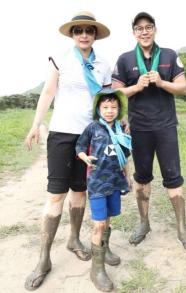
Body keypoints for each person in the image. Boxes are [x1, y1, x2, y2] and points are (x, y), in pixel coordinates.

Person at [24, 11, 112, 290]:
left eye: (89, 30)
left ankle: (74, 238)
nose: (84, 34)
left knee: (81, 191)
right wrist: (36, 125)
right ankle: (43, 259)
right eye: (78, 30)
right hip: (62, 134)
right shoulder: (61, 58)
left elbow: (107, 102)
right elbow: (48, 92)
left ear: (95, 34)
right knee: (56, 195)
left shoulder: (103, 64)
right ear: (72, 35)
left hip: (91, 136)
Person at [112, 12, 186, 253]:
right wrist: (136, 87)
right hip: (139, 128)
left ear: (155, 30)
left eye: (148, 27)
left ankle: (182, 228)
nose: (144, 31)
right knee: (142, 178)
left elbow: (182, 87)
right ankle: (143, 223)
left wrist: (162, 83)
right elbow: (116, 94)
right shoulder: (124, 59)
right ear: (134, 33)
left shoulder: (169, 55)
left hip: (166, 126)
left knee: (174, 177)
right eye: (139, 28)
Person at [76, 88, 131, 292]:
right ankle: (96, 270)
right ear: (98, 108)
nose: (109, 110)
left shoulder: (121, 130)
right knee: (98, 225)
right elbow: (79, 147)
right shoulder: (92, 128)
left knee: (108, 219)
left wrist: (128, 176)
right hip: (98, 184)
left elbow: (125, 155)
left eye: (113, 107)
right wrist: (85, 158)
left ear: (119, 109)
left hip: (115, 182)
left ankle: (105, 250)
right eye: (105, 107)